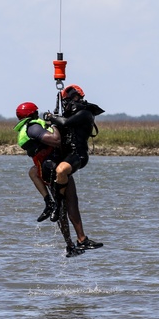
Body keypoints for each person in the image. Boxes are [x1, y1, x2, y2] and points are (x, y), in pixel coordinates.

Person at [42, 84, 105, 252]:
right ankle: (75, 243)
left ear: (78, 98)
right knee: (69, 205)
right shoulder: (67, 114)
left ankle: (57, 203)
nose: (67, 105)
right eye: (65, 102)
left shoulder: (85, 113)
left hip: (78, 156)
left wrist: (50, 117)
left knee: (61, 171)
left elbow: (66, 123)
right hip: (64, 158)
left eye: (69, 101)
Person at [14, 101, 61, 222]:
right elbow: (56, 141)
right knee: (34, 172)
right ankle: (53, 204)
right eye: (36, 112)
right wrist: (55, 123)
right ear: (33, 114)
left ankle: (48, 202)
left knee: (32, 172)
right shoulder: (34, 128)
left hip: (41, 164)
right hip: (49, 165)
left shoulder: (26, 129)